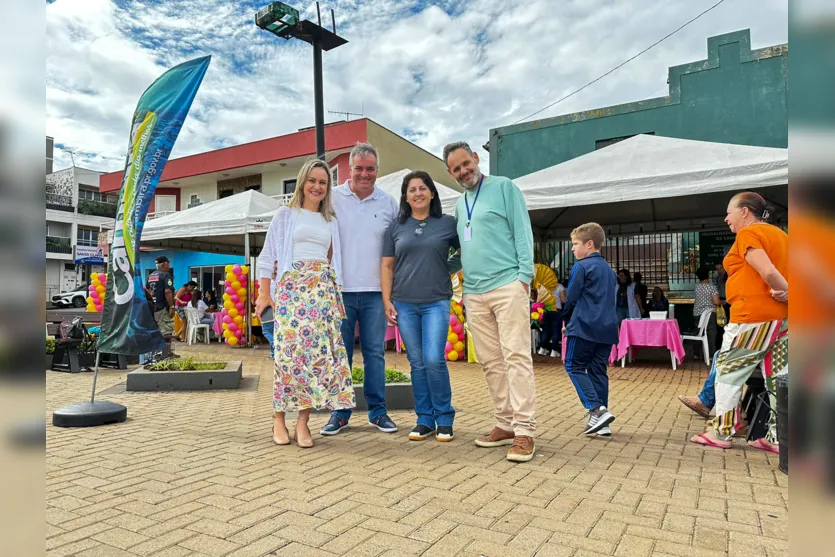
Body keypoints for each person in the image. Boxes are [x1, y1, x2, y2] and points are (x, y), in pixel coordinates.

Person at [444, 141, 537, 462]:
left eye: (466, 164)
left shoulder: (504, 187)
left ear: (476, 158)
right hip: (474, 292)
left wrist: (524, 277)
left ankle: (525, 430)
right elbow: (462, 251)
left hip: (508, 284)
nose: (463, 172)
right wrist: (436, 270)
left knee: (516, 356)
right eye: (456, 169)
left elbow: (523, 232)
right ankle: (505, 422)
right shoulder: (459, 205)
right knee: (490, 361)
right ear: (449, 172)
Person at [255, 159, 356, 448]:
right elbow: (266, 258)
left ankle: (302, 423)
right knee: (287, 357)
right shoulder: (286, 215)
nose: (317, 186)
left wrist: (335, 294)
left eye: (323, 182)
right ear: (302, 182)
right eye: (312, 180)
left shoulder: (331, 221)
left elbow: (333, 259)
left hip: (321, 292)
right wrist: (265, 293)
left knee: (315, 359)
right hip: (291, 290)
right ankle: (278, 418)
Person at [690, 192, 787, 454]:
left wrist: (785, 288)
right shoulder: (782, 236)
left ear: (744, 211)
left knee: (727, 370)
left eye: (729, 212)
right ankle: (779, 437)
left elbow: (766, 271)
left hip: (752, 316)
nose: (726, 218)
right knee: (778, 377)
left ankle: (722, 431)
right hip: (782, 319)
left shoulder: (748, 233)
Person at [321, 142, 400, 436]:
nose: (364, 174)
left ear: (377, 170)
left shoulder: (388, 203)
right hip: (339, 291)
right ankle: (340, 412)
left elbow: (394, 250)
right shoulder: (333, 198)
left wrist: (392, 293)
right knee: (340, 356)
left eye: (370, 169)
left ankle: (378, 412)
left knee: (375, 354)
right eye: (359, 168)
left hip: (375, 293)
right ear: (348, 169)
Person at [381, 170, 460, 442]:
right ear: (405, 196)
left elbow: (465, 251)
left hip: (436, 301)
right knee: (416, 363)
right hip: (404, 301)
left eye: (423, 188)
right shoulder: (395, 227)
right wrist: (386, 299)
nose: (418, 193)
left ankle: (445, 418)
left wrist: (447, 268)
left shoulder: (448, 223)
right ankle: (425, 419)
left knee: (433, 359)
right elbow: (387, 265)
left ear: (432, 192)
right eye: (412, 189)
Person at [562, 223, 619, 436]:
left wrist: (565, 319)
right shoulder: (609, 271)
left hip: (584, 325)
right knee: (598, 371)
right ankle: (602, 423)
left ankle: (596, 409)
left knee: (574, 366)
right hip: (607, 328)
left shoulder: (582, 266)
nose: (573, 249)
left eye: (575, 244)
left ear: (589, 244)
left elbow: (572, 297)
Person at [693, 266, 722, 359]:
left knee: (698, 333)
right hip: (710, 314)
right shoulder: (712, 287)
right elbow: (716, 302)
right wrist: (722, 302)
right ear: (708, 275)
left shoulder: (696, 287)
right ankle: (711, 354)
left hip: (697, 313)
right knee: (711, 333)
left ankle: (696, 354)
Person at [145, 255, 176, 340]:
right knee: (166, 331)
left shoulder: (150, 276)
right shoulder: (166, 275)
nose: (169, 265)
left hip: (153, 308)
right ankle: (166, 351)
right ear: (164, 264)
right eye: (168, 263)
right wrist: (172, 306)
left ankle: (155, 352)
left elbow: (147, 291)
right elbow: (168, 291)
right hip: (163, 307)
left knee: (155, 330)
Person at [537, 274, 565, 358]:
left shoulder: (543, 286)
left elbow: (539, 299)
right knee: (556, 329)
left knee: (546, 329)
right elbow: (563, 300)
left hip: (545, 310)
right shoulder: (559, 286)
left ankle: (542, 348)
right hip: (556, 310)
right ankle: (554, 350)